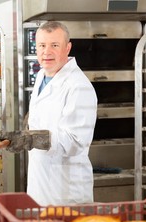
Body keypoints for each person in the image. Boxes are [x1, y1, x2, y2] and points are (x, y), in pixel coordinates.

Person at [26, 21, 97, 206]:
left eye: (54, 45)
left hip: (65, 191)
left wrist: (34, 138)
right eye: (42, 45)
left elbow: (75, 141)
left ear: (68, 47)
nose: (46, 52)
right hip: (40, 184)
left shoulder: (78, 86)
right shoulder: (43, 75)